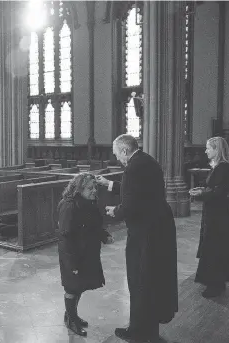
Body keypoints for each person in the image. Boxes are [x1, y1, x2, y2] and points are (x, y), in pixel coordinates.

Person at [96, 134, 178, 342]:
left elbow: (132, 203)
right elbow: (137, 191)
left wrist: (117, 211)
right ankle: (148, 329)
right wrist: (109, 184)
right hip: (158, 227)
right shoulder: (146, 161)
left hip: (145, 232)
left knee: (140, 279)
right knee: (152, 278)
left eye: (117, 155)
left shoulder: (133, 167)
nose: (118, 160)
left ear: (125, 150)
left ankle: (139, 331)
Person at [57, 172, 114, 337]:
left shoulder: (89, 202)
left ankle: (71, 316)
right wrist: (71, 264)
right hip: (73, 254)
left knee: (79, 286)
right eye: (90, 188)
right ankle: (71, 321)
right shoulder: (68, 205)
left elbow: (94, 225)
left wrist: (104, 236)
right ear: (78, 189)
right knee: (71, 288)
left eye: (95, 187)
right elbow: (65, 237)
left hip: (87, 252)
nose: (94, 190)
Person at [189, 136, 229, 298]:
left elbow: (220, 192)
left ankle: (215, 284)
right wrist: (202, 189)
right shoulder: (219, 167)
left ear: (217, 150)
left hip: (217, 213)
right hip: (215, 211)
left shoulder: (223, 168)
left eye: (209, 148)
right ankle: (215, 280)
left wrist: (202, 193)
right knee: (212, 243)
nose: (206, 150)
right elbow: (214, 188)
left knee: (214, 244)